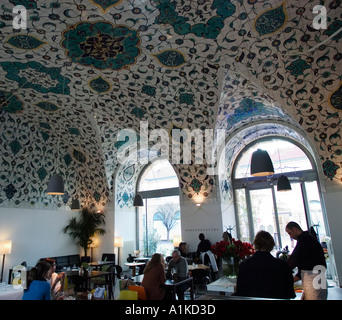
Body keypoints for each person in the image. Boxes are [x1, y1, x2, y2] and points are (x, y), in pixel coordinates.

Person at [235, 231, 295, 299]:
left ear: (255, 244)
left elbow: (240, 292)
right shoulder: (283, 265)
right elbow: (290, 293)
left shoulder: (244, 265)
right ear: (272, 245)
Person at [285, 221, 327, 300]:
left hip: (314, 278)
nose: (290, 236)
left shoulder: (304, 240)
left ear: (295, 229)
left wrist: (282, 268)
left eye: (290, 233)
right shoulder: (307, 238)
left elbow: (294, 259)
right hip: (316, 277)